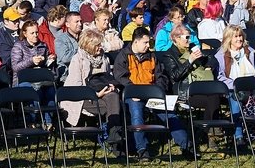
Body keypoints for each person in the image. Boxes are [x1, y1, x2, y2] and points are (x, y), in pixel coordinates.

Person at [113, 27, 194, 160]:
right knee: (137, 114)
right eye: (145, 43)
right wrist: (133, 91)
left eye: (148, 43)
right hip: (133, 95)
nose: (147, 46)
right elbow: (120, 77)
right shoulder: (123, 56)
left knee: (169, 114)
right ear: (135, 42)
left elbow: (160, 76)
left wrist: (158, 91)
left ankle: (187, 146)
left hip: (152, 93)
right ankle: (142, 148)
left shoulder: (152, 57)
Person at [58, 28, 124, 156]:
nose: (100, 47)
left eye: (100, 44)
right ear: (88, 45)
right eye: (97, 45)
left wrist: (112, 87)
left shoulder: (103, 58)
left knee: (113, 96)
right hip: (80, 98)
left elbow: (108, 77)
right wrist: (96, 95)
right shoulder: (77, 60)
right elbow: (76, 86)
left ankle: (113, 138)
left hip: (103, 94)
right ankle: (115, 140)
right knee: (115, 105)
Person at [215, 25, 255, 145]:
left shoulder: (250, 51)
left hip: (253, 86)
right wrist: (235, 84)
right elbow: (220, 76)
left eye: (240, 36)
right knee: (235, 98)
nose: (239, 39)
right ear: (229, 39)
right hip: (233, 88)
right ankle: (239, 136)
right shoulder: (221, 55)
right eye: (236, 37)